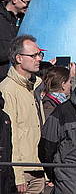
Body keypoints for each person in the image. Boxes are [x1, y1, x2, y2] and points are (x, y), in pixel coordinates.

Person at [0, 35, 45, 193]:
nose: (38, 58)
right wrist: (18, 175)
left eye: (40, 54)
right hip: (21, 172)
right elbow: (9, 137)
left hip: (38, 168)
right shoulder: (7, 89)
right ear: (19, 58)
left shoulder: (34, 86)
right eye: (33, 55)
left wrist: (45, 171)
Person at [0, 0, 33, 76]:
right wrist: (18, 52)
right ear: (14, 0)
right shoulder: (1, 20)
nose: (29, 6)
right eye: (27, 2)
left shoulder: (24, 18)